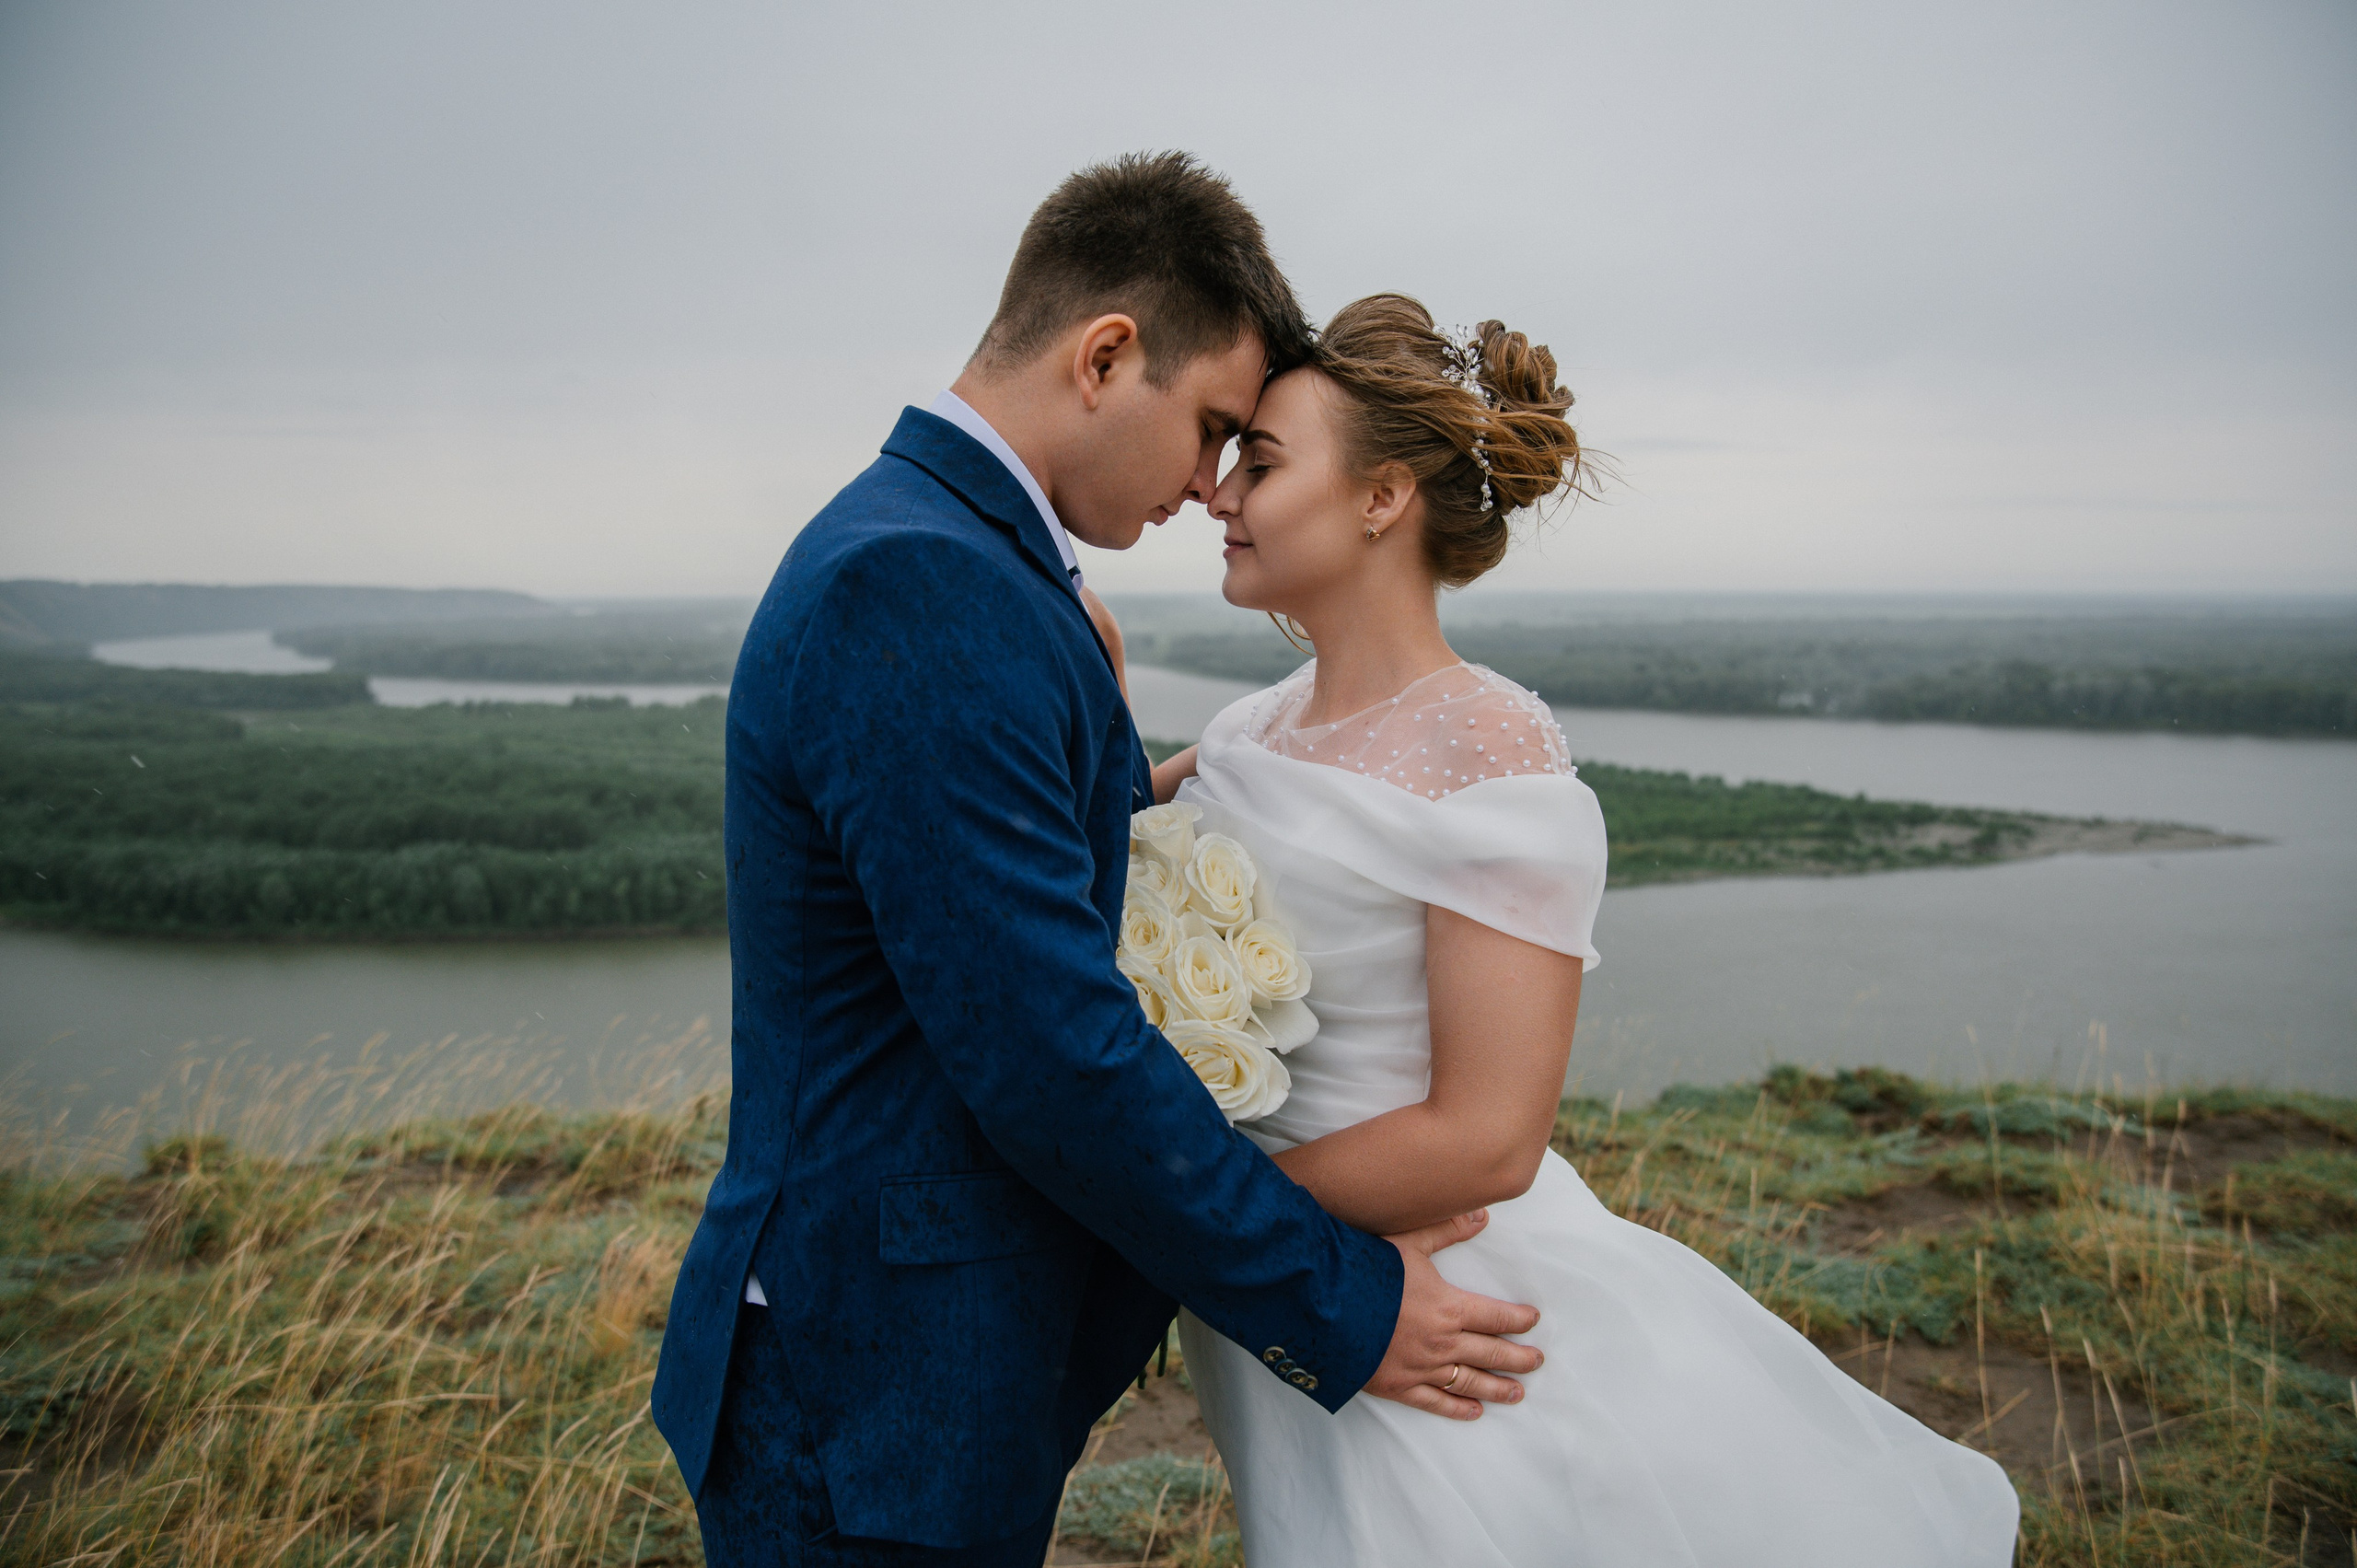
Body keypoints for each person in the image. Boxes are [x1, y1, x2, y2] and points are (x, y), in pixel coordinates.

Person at [650, 157, 1546, 1568]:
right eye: (1208, 431)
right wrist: (1346, 1303)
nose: (1208, 485)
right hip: (873, 1378)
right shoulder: (925, 583)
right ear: (1107, 354)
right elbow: (1050, 1045)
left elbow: (1033, 885)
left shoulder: (971, 566)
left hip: (910, 1360)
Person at [1144, 292, 2023, 1564]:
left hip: (1436, 1294)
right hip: (1295, 1282)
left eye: (1262, 464)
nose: (1220, 492)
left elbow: (1491, 1134)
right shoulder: (1251, 726)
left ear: (1383, 497)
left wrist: (1207, 1217)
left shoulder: (1485, 741)